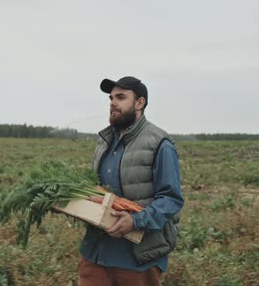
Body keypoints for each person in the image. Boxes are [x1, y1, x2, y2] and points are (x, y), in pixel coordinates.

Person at [78, 76, 184, 286]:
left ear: (139, 103)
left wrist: (136, 221)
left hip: (137, 259)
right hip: (95, 253)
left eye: (120, 97)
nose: (112, 103)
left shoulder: (159, 144)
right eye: (111, 98)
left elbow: (171, 200)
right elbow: (97, 190)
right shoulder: (104, 141)